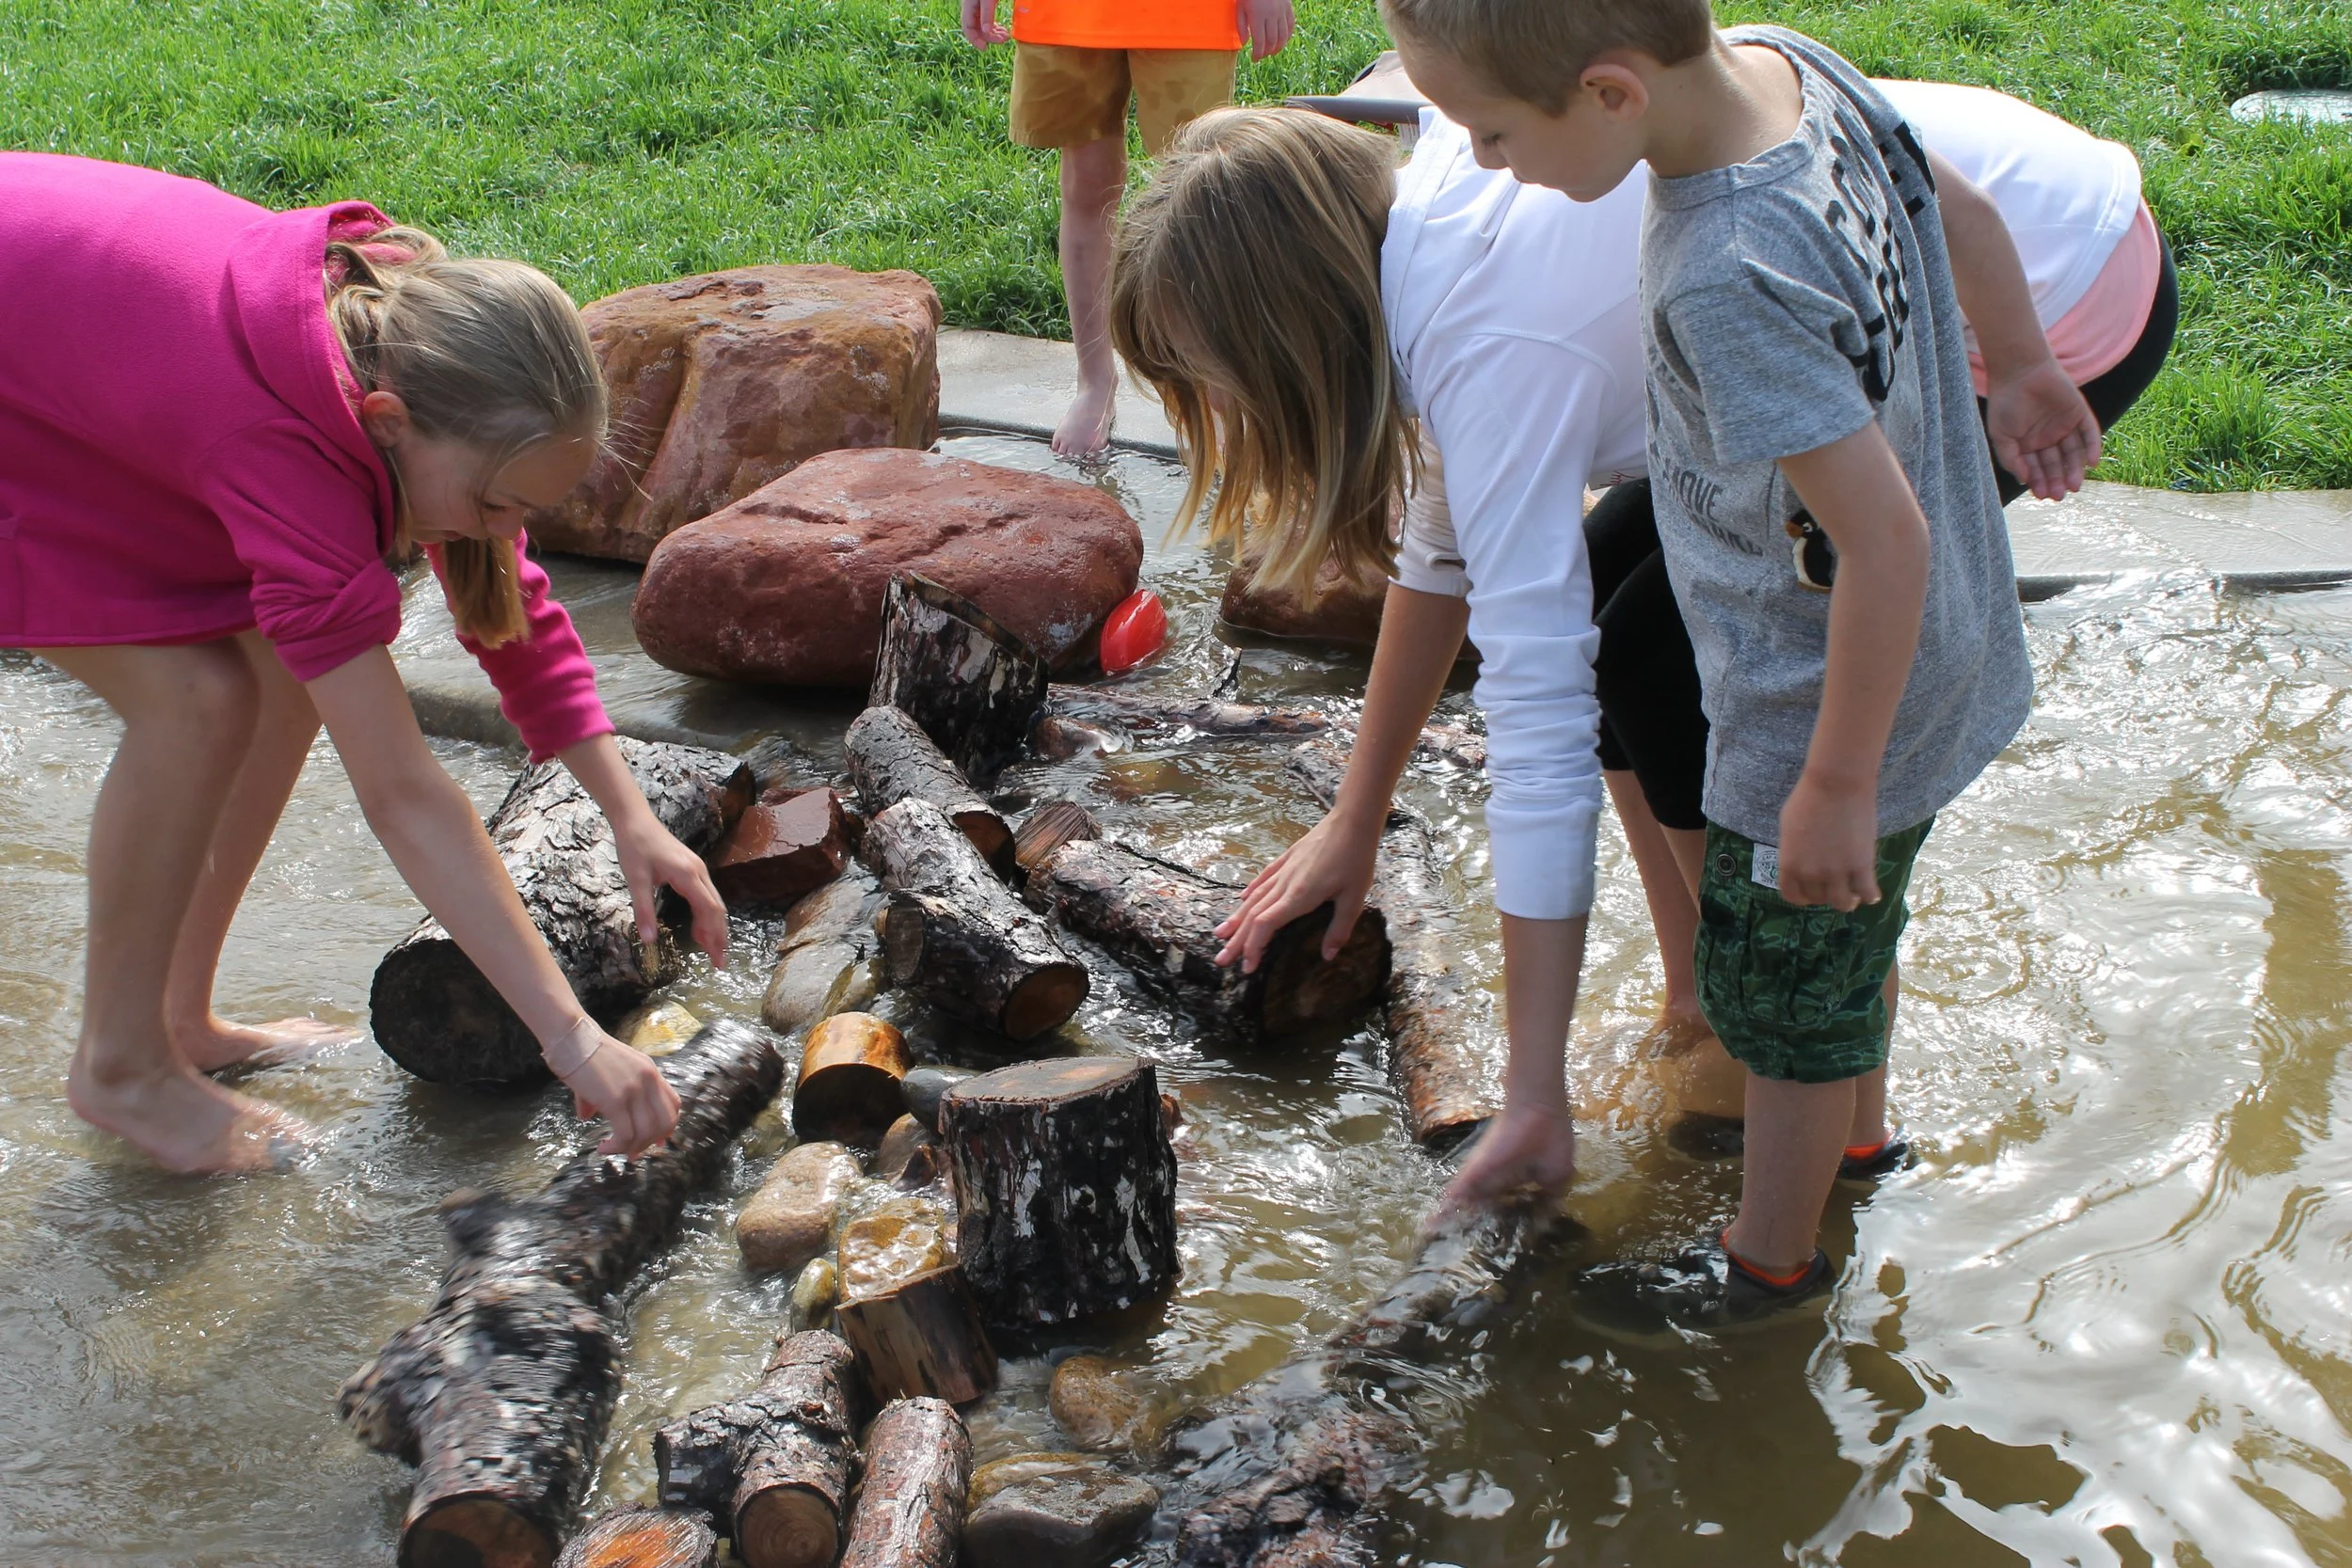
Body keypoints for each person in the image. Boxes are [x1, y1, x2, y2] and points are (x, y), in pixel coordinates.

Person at [1375, 0, 2103, 1330]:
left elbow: (1883, 541)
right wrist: (2029, 366)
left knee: (1781, 994)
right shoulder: (1789, 67)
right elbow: (1961, 206)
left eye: (1491, 130)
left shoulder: (1725, 265)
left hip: (1823, 695)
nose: (1482, 164)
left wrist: (1829, 784)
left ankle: (1768, 1265)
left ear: (1609, 94)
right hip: (1913, 659)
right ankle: (1862, 1146)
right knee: (1836, 948)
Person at [0, 153, 725, 1176]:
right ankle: (120, 1066)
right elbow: (403, 794)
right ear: (387, 428)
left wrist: (627, 810)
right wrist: (572, 1037)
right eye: (496, 505)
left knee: (284, 671)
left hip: (43, 333)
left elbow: (504, 598)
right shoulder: (287, 440)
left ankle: (177, 1018)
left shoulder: (417, 356)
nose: (506, 532)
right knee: (196, 703)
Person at [961, 0, 1295, 456]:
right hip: (1069, 15)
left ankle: (1209, 391)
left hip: (1189, 14)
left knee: (1195, 195)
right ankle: (1095, 380)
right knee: (1087, 185)